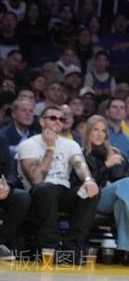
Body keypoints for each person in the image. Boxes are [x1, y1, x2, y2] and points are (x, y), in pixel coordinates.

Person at [17, 104, 101, 260]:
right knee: (47, 189)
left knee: (92, 192)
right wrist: (50, 147)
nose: (58, 122)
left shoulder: (71, 144)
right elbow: (37, 179)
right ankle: (50, 248)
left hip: (63, 193)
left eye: (61, 119)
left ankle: (72, 247)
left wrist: (89, 180)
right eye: (53, 118)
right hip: (37, 194)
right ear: (42, 121)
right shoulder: (28, 145)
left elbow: (79, 164)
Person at [82, 114, 129, 258]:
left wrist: (113, 161)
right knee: (127, 184)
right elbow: (88, 180)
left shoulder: (111, 152)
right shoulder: (81, 153)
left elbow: (120, 180)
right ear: (88, 132)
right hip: (89, 198)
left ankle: (124, 251)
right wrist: (107, 164)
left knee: (122, 203)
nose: (99, 134)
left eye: (103, 131)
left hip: (106, 198)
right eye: (95, 130)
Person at [0, 131, 30, 260]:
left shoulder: (1, 141)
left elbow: (10, 172)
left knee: (21, 198)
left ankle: (1, 242)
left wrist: (7, 186)